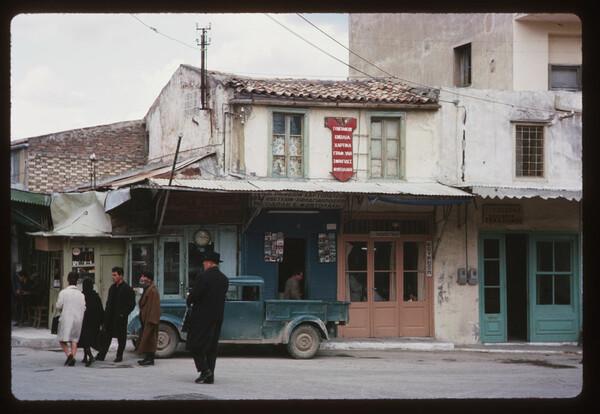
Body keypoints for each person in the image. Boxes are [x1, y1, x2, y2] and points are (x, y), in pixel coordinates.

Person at [185, 251, 229, 384]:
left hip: (202, 316)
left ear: (209, 263)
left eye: (204, 262)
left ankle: (204, 370)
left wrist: (189, 298)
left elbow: (195, 295)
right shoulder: (224, 279)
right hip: (217, 317)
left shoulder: (203, 277)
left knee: (194, 344)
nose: (203, 264)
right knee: (212, 347)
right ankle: (211, 376)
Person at [95, 266, 136, 363]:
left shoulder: (127, 289)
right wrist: (105, 316)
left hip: (120, 317)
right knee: (106, 337)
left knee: (121, 337)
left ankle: (119, 356)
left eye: (115, 275)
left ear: (121, 276)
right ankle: (102, 354)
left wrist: (123, 313)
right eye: (112, 275)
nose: (113, 277)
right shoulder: (112, 288)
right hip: (110, 317)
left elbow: (131, 304)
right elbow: (108, 302)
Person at [55, 271, 86, 366]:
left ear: (68, 281)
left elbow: (59, 305)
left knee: (61, 338)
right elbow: (84, 307)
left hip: (66, 319)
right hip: (78, 319)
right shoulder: (81, 295)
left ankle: (69, 355)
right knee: (74, 339)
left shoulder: (64, 293)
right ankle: (73, 356)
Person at [135, 271, 162, 366]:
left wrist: (152, 320)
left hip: (150, 319)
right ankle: (147, 357)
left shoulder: (153, 291)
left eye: (144, 276)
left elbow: (155, 307)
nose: (141, 278)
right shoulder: (147, 289)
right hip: (146, 318)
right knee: (147, 339)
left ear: (149, 279)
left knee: (150, 339)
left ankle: (150, 358)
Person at [78, 278, 104, 367]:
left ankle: (89, 356)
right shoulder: (96, 296)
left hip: (85, 321)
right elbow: (100, 309)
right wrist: (102, 321)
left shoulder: (82, 296)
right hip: (94, 322)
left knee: (85, 339)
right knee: (88, 339)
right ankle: (86, 356)